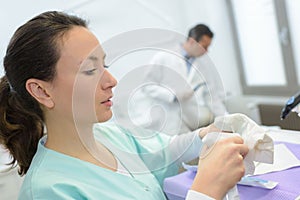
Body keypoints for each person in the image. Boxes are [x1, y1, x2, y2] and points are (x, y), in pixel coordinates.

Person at [0, 11, 248, 200]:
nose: (111, 81)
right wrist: (204, 191)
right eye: (89, 70)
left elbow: (165, 152)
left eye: (104, 66)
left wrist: (203, 137)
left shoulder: (113, 136)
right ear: (41, 91)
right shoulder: (50, 190)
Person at [128, 24, 228, 135]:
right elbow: (146, 85)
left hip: (185, 122)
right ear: (192, 41)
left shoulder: (202, 68)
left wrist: (227, 118)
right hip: (161, 118)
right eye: (204, 46)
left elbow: (212, 98)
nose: (206, 51)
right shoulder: (164, 57)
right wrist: (172, 95)